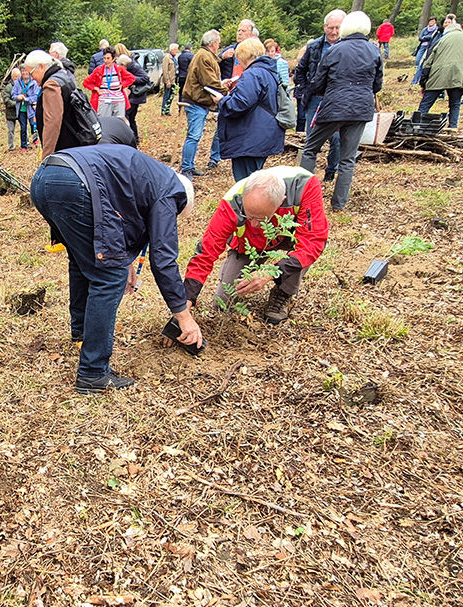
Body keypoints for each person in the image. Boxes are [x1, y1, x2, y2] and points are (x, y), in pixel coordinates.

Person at [30, 145, 201, 394]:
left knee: (82, 259)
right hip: (74, 184)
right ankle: (93, 372)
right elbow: (163, 259)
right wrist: (184, 317)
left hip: (46, 177)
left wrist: (125, 259)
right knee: (110, 277)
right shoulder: (169, 192)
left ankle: (81, 334)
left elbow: (119, 218)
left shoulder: (148, 176)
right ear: (180, 202)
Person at [184, 167, 328, 324]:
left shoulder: (304, 186)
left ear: (281, 201)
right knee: (223, 303)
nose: (253, 224)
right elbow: (206, 252)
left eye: (260, 219)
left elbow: (312, 242)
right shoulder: (232, 202)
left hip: (288, 235)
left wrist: (270, 272)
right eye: (248, 216)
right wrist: (187, 300)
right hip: (249, 245)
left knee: (304, 250)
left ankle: (283, 292)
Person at [299, 11, 382, 214]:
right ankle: (338, 205)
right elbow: (377, 85)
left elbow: (318, 82)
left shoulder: (335, 50)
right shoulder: (374, 51)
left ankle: (301, 197)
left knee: (311, 149)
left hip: (333, 107)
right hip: (360, 110)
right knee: (348, 158)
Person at [215, 38, 285, 181]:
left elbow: (239, 104)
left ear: (246, 56)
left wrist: (221, 101)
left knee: (246, 184)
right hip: (262, 134)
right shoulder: (268, 71)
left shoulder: (252, 74)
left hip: (250, 138)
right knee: (255, 180)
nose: (238, 62)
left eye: (239, 58)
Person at [294, 9, 346, 182]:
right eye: (330, 28)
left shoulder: (347, 47)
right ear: (325, 27)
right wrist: (304, 90)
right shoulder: (314, 46)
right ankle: (308, 178)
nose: (334, 32)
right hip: (314, 98)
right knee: (311, 139)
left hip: (337, 99)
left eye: (338, 28)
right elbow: (300, 70)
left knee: (337, 139)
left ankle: (331, 171)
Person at [26, 50, 91, 159]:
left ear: (41, 66)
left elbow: (52, 122)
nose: (31, 78)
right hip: (74, 143)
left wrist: (47, 157)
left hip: (65, 147)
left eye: (31, 73)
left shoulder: (51, 85)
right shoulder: (62, 75)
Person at [180, 30, 225, 180]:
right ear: (213, 43)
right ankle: (186, 168)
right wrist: (225, 89)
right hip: (195, 102)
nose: (219, 45)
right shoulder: (204, 56)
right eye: (218, 42)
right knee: (193, 135)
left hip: (199, 101)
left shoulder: (204, 55)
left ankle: (189, 166)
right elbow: (209, 82)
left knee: (194, 135)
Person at [418, 19, 463, 129]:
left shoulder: (442, 39)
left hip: (437, 76)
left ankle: (416, 124)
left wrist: (423, 81)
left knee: (426, 103)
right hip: (459, 76)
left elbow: (428, 61)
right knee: (455, 104)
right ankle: (452, 128)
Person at [82, 48, 134, 119]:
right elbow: (86, 82)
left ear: (113, 59)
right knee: (104, 121)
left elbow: (131, 78)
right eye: (104, 58)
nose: (106, 61)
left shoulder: (119, 69)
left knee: (119, 122)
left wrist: (122, 85)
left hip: (118, 100)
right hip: (104, 100)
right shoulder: (99, 70)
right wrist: (96, 88)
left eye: (108, 58)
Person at [117, 50, 149, 141]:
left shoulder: (134, 66)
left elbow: (145, 78)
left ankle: (131, 139)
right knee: (131, 118)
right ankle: (135, 138)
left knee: (127, 116)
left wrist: (131, 78)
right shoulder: (130, 66)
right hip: (133, 96)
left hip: (136, 96)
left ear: (123, 64)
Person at [11, 64, 39, 151]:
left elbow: (36, 96)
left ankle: (35, 140)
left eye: (26, 71)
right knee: (23, 128)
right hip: (21, 109)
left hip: (30, 108)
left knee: (33, 125)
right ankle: (23, 145)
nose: (24, 73)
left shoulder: (34, 82)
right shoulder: (17, 82)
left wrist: (26, 99)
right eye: (23, 71)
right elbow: (13, 95)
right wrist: (18, 97)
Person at [412, 17, 438, 85]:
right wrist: (427, 37)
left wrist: (425, 37)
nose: (431, 22)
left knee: (424, 63)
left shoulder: (436, 29)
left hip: (430, 47)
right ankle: (417, 76)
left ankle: (420, 78)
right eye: (430, 21)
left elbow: (433, 37)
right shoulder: (425, 29)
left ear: (435, 22)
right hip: (422, 46)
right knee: (418, 60)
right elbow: (420, 38)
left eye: (433, 21)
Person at [3, 68, 20, 151]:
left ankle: (25, 143)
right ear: (12, 77)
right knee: (11, 131)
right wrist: (16, 104)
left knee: (24, 128)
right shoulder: (8, 87)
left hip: (20, 112)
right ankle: (11, 146)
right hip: (11, 113)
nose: (17, 78)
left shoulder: (21, 85)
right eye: (16, 76)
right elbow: (6, 100)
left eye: (19, 76)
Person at [161, 43, 178, 115]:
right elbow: (165, 70)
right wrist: (167, 81)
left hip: (173, 80)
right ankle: (164, 111)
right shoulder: (167, 58)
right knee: (167, 95)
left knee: (171, 95)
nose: (177, 51)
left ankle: (167, 110)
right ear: (172, 50)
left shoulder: (174, 58)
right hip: (169, 81)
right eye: (176, 49)